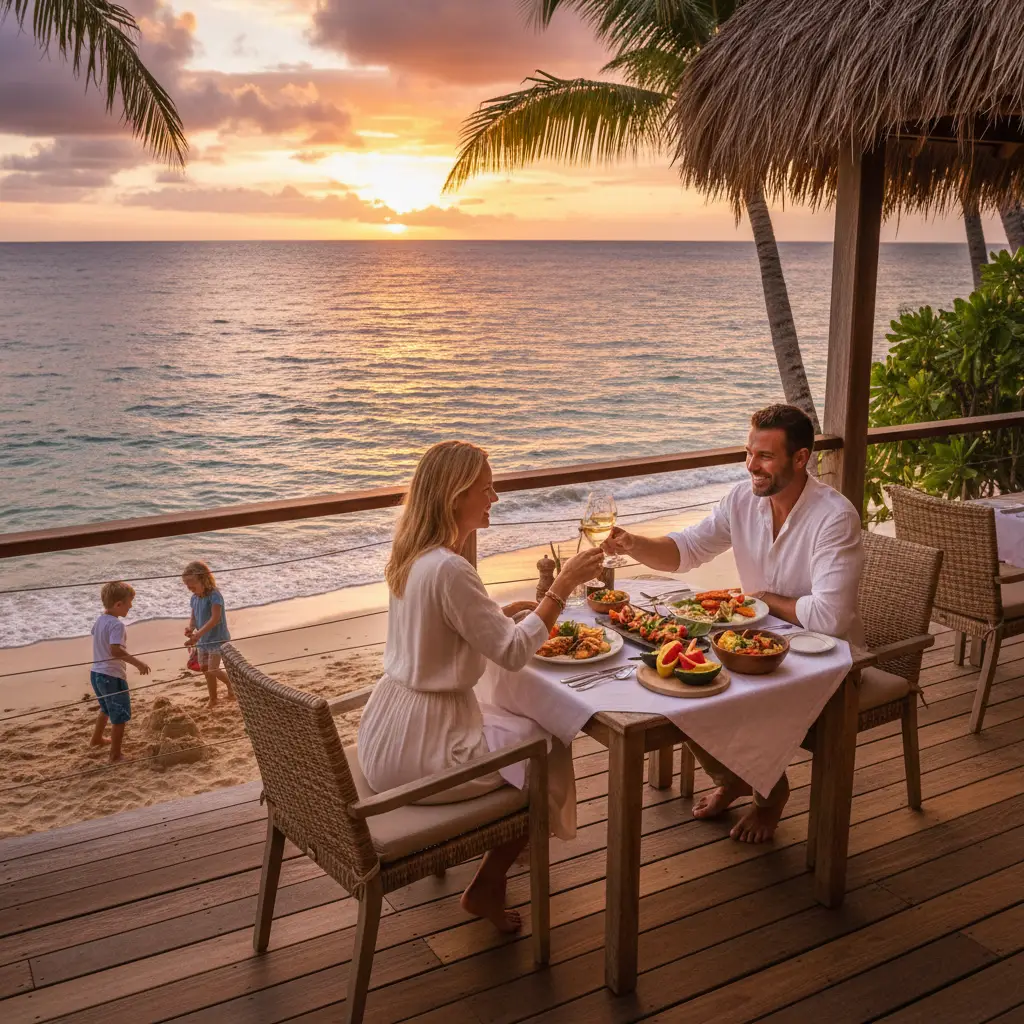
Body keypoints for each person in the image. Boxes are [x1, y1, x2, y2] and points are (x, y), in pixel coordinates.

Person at [358, 440, 605, 933]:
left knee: (520, 724)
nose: (495, 497)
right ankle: (493, 873)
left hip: (384, 733)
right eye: (486, 488)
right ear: (455, 495)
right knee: (548, 741)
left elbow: (447, 628)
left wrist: (502, 616)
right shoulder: (451, 569)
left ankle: (512, 846)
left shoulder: (414, 556)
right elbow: (513, 654)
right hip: (426, 751)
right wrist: (562, 587)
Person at [603, 403, 864, 844]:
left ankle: (768, 793)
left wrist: (762, 599)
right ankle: (739, 775)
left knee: (706, 690)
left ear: (800, 459)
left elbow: (828, 618)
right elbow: (687, 550)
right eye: (748, 452)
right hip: (754, 646)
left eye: (765, 456)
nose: (751, 466)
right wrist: (631, 544)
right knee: (680, 675)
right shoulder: (743, 500)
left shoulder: (834, 517)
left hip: (825, 659)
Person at [90, 581, 150, 762]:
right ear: (118, 605)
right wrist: (137, 663)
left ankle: (97, 739)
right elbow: (115, 650)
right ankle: (115, 755)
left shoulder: (100, 620)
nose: (130, 607)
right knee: (120, 715)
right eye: (129, 603)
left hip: (96, 673)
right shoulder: (117, 625)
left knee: (105, 709)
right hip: (111, 675)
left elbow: (96, 635)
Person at [182, 560, 233, 706]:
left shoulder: (215, 595)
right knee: (205, 669)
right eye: (186, 584)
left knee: (213, 669)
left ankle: (231, 685)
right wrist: (191, 629)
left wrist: (198, 635)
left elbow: (215, 619)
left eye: (191, 582)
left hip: (217, 638)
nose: (189, 587)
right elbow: (194, 617)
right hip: (203, 639)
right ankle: (213, 698)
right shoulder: (195, 597)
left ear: (203, 579)